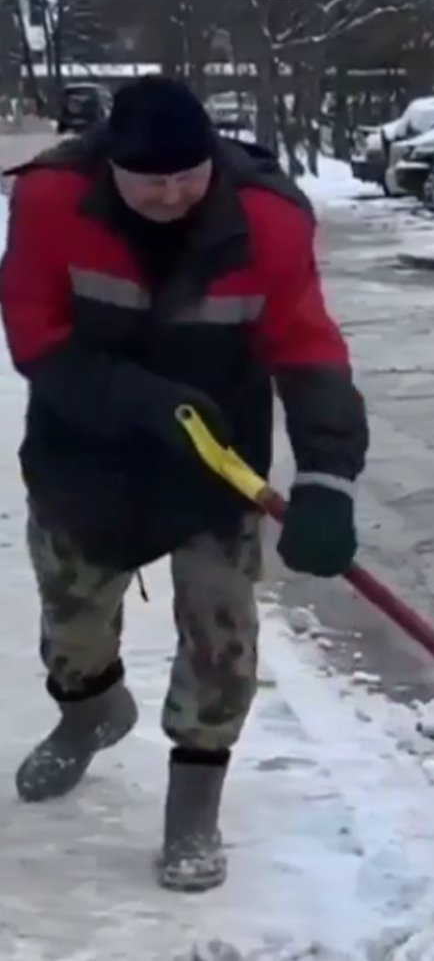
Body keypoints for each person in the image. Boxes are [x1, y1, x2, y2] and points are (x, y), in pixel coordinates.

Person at [0, 75, 368, 891]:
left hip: (216, 460)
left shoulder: (267, 217)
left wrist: (329, 479)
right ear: (110, 168)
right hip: (83, 451)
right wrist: (141, 401)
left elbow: (307, 348)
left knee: (222, 636)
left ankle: (193, 813)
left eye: (188, 175)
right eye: (150, 179)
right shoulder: (55, 201)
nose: (170, 194)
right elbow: (35, 332)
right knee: (72, 626)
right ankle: (90, 709)